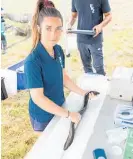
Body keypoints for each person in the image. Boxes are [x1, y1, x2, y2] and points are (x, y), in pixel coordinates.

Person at [24, 0, 98, 132]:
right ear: (39, 28)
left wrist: (84, 93)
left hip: (61, 106)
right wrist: (68, 114)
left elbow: (63, 77)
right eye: (48, 28)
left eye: (58, 29)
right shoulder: (32, 61)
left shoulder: (58, 50)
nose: (54, 34)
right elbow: (38, 98)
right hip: (43, 115)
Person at [68, 0, 112, 75]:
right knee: (87, 67)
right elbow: (73, 16)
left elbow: (109, 16)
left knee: (98, 67)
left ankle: (101, 85)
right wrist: (69, 25)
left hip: (95, 39)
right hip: (81, 40)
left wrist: (100, 26)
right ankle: (90, 86)